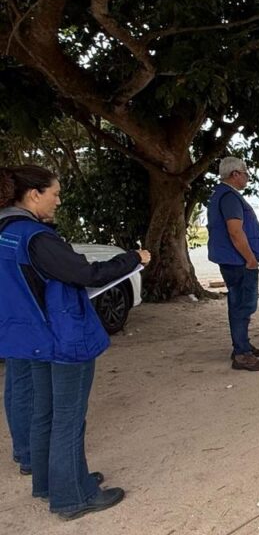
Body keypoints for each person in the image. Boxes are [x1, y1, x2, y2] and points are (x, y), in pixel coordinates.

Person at [0, 165, 149, 519]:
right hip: (63, 337)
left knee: (45, 412)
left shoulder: (5, 232)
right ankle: (73, 497)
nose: (58, 201)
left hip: (31, 337)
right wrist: (133, 259)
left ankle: (51, 481)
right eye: (54, 194)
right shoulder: (36, 237)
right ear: (34, 194)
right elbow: (86, 273)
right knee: (68, 417)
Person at [207, 157, 259, 371]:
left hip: (233, 260)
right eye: (245, 173)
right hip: (238, 261)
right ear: (235, 174)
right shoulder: (229, 197)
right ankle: (242, 353)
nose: (247, 177)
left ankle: (242, 345)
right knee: (243, 304)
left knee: (239, 304)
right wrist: (250, 258)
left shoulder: (223, 194)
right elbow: (235, 231)